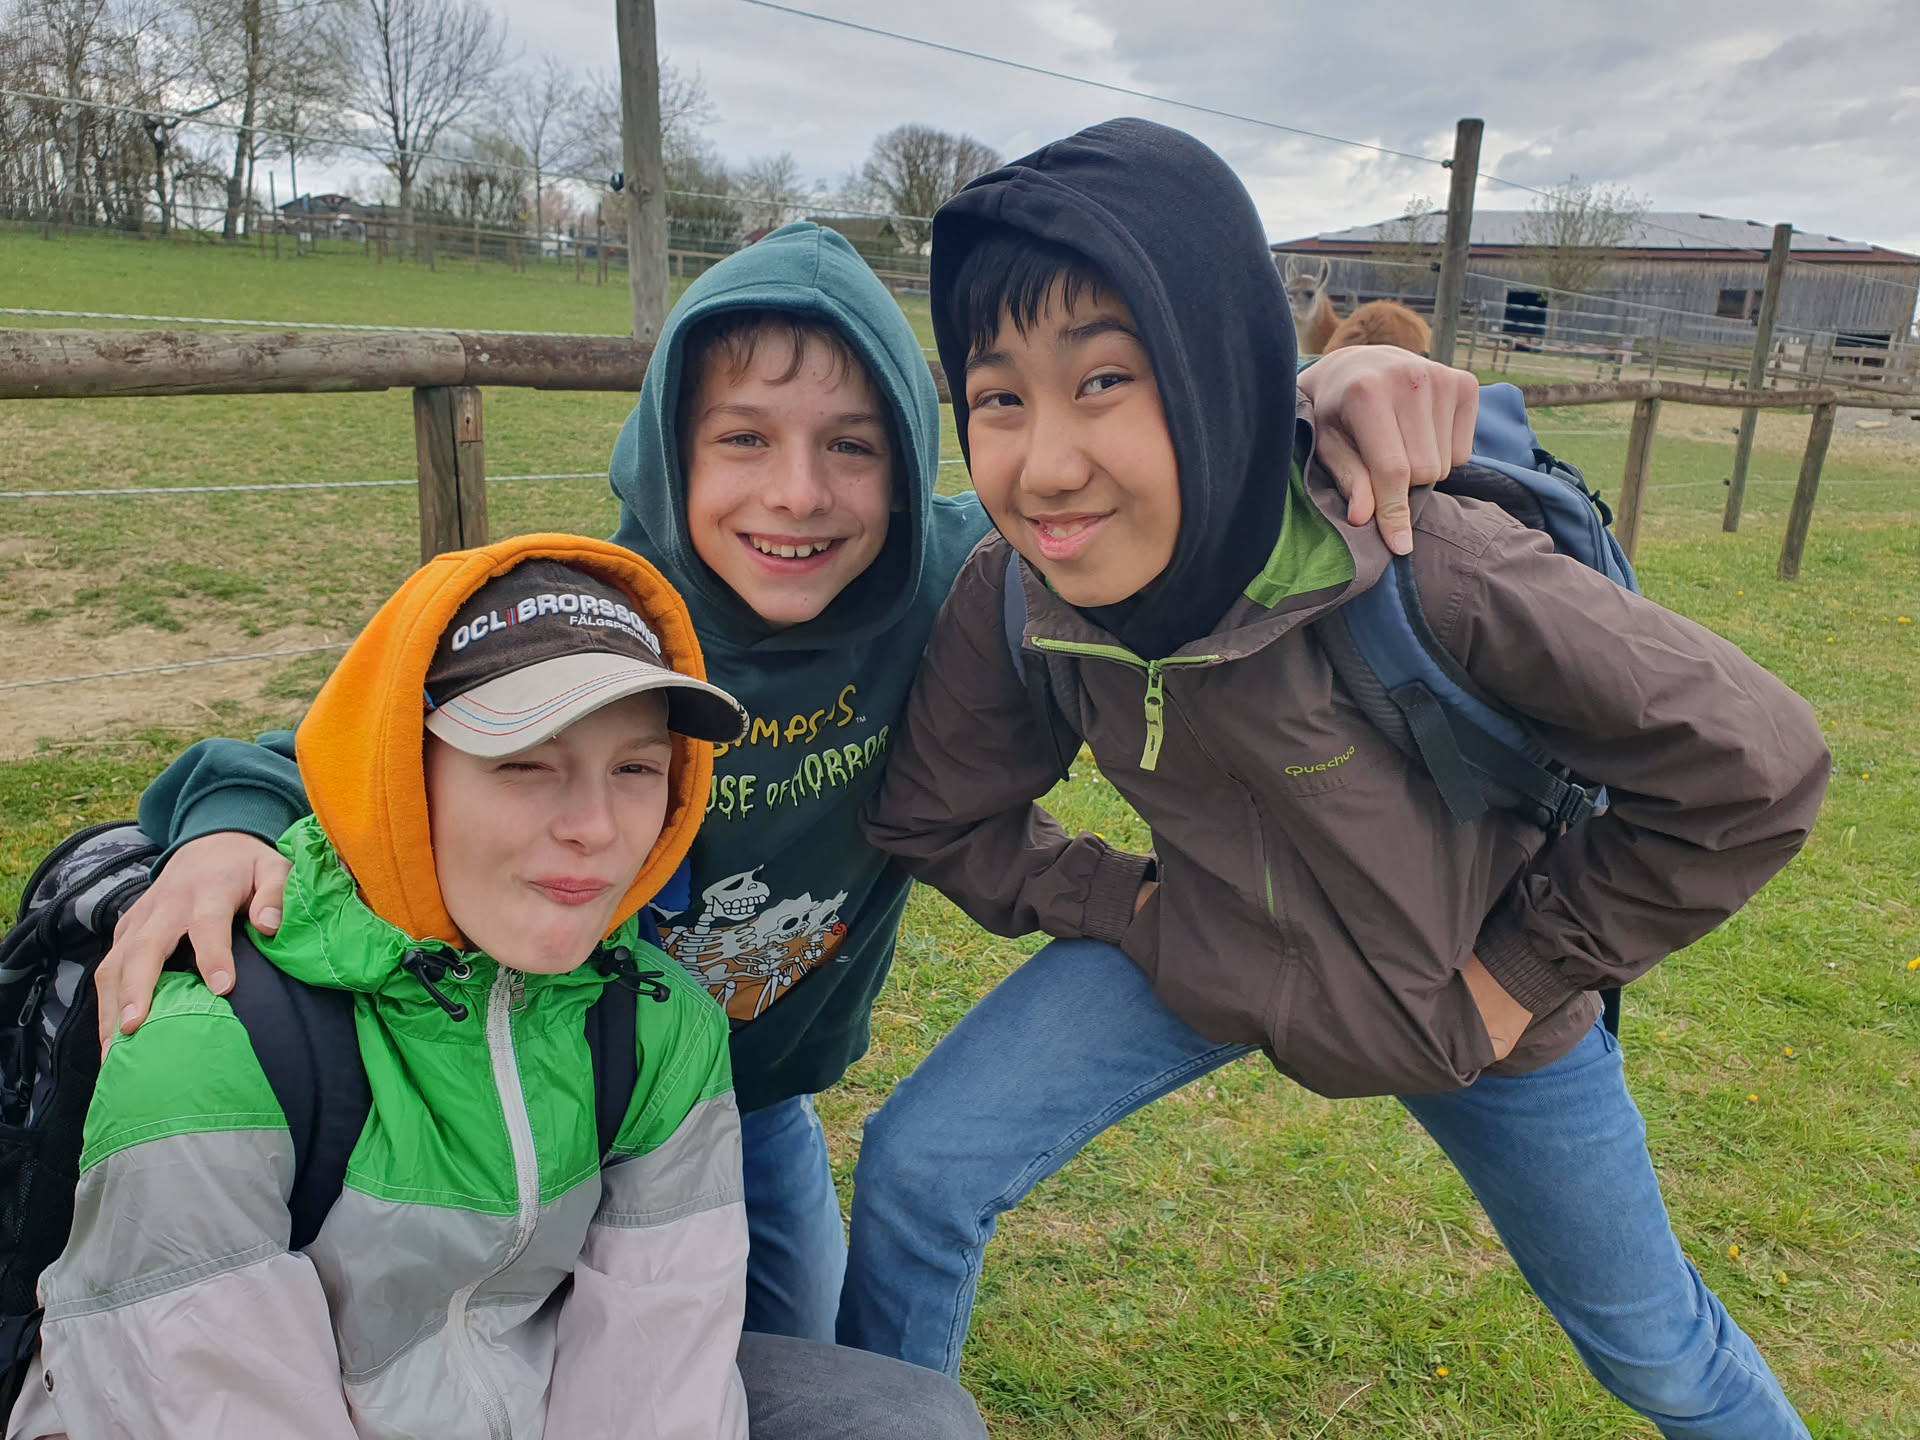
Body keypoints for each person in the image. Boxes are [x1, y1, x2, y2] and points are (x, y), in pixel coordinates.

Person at [94, 222, 1477, 1348]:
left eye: (852, 445)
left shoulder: (959, 585)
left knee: (794, 1353)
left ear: (909, 461)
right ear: (669, 445)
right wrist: (224, 831)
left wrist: (1323, 397)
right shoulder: (601, 609)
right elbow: (324, 749)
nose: (798, 495)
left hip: (756, 1106)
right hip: (568, 1086)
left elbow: (1148, 471)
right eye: (744, 438)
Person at [853, 118, 1832, 1439]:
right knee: (920, 1168)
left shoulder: (1429, 560)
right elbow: (937, 810)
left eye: (1104, 381)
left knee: (1661, 1356)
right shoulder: (1020, 587)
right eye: (998, 398)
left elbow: (1759, 767)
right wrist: (1122, 905)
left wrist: (1518, 976)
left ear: (1213, 370)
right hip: (1213, 948)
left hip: (1465, 997)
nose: (1044, 464)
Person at [8, 534, 986, 1440]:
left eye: (636, 767)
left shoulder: (655, 1021)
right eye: (524, 764)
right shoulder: (213, 1041)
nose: (595, 827)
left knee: (909, 1419)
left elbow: (655, 1385)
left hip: (526, 1394)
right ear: (399, 774)